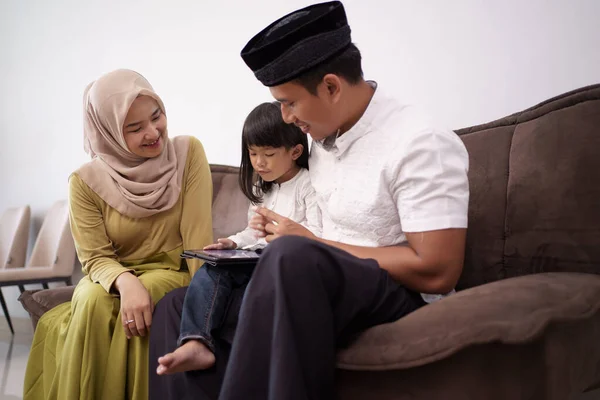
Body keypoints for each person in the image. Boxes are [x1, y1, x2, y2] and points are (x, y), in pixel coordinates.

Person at [149, 2, 470, 399]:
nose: (285, 118)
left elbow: (437, 271)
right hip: (311, 286)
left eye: (290, 102)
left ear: (332, 87)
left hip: (397, 295)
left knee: (291, 257)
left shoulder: (421, 143)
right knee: (178, 307)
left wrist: (309, 244)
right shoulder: (318, 145)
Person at [23, 69, 213, 400]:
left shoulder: (187, 153)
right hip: (110, 275)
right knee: (91, 300)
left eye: (157, 117)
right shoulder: (84, 181)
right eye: (135, 128)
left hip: (172, 271)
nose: (154, 132)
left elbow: (198, 240)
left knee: (149, 293)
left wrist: (205, 313)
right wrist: (126, 282)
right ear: (108, 132)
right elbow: (94, 257)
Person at [156, 101, 321, 375]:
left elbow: (315, 234)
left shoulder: (307, 185)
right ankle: (196, 341)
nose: (259, 162)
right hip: (253, 257)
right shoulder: (261, 187)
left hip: (280, 262)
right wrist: (232, 243)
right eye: (253, 153)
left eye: (268, 153)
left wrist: (279, 231)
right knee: (211, 269)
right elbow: (251, 234)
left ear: (295, 151)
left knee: (245, 290)